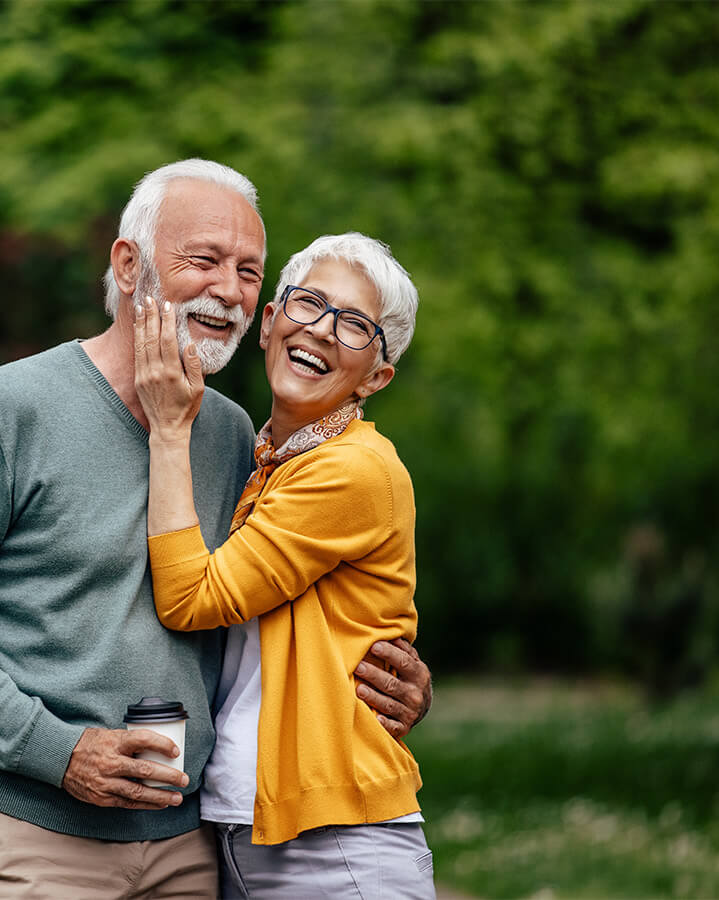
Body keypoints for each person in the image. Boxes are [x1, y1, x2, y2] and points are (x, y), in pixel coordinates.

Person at [0, 159, 433, 898]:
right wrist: (59, 751)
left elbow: (286, 604)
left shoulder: (237, 438)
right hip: (35, 831)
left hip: (189, 844)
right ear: (130, 266)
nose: (227, 289)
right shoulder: (11, 409)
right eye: (204, 260)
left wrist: (386, 676)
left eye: (249, 271)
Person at [134, 233, 433, 898]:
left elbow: (190, 599)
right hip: (251, 831)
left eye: (355, 325)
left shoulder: (350, 468)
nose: (323, 332)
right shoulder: (263, 454)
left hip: (336, 849)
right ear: (272, 321)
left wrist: (169, 431)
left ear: (377, 376)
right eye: (310, 305)